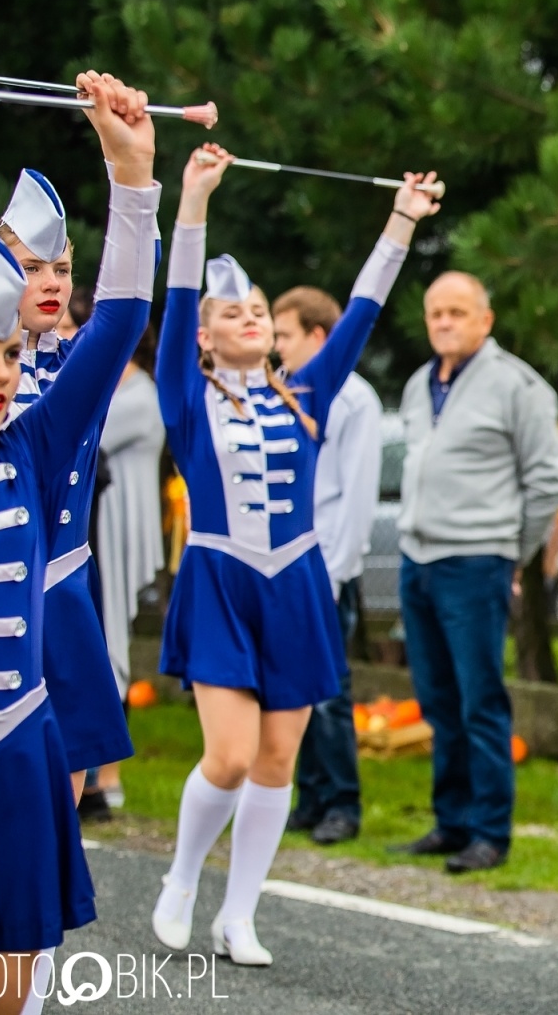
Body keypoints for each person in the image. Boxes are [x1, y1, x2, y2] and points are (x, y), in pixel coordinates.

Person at [151, 142, 438, 965]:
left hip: (296, 582)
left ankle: (239, 913)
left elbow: (359, 315)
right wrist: (194, 202)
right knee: (231, 755)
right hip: (220, 578)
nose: (250, 320)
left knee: (278, 758)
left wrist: (401, 221)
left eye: (260, 315)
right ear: (206, 338)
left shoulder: (307, 392)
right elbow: (174, 303)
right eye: (232, 315)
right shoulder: (187, 396)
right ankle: (180, 876)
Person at [0, 70, 158, 1015]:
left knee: (8, 1003)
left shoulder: (31, 448)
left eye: (6, 354)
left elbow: (118, 320)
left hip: (18, 745)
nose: (2, 372)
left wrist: (133, 177)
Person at [388, 270, 558, 874]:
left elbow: (546, 483)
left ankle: (490, 830)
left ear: (484, 320)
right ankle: (451, 820)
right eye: (435, 312)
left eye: (457, 312)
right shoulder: (419, 384)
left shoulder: (517, 385)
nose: (444, 322)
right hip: (419, 560)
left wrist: (509, 556)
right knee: (437, 698)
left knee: (479, 698)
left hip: (477, 561)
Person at [0, 167, 135, 802]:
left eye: (62, 269)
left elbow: (123, 315)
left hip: (62, 592)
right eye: (29, 267)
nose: (51, 283)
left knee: (58, 818)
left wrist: (130, 174)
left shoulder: (76, 366)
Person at [274, 287, 383, 846]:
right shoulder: (284, 392)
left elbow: (357, 495)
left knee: (331, 692)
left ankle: (342, 800)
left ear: (319, 337)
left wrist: (335, 573)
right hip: (287, 566)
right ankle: (310, 793)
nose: (276, 346)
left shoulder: (355, 400)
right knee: (295, 687)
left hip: (326, 568)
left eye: (285, 335)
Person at [94, 323, 166, 811]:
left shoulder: (139, 396)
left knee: (111, 642)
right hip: (98, 521)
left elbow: (86, 430)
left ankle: (108, 777)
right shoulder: (121, 389)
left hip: (115, 527)